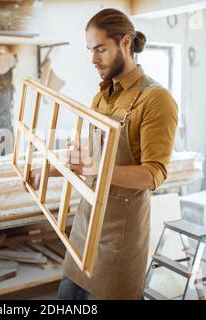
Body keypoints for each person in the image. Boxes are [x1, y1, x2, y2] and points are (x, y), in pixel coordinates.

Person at [27, 8, 178, 300]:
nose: (93, 59)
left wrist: (99, 170)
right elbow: (87, 161)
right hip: (84, 230)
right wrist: (45, 173)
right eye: (90, 50)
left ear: (125, 42)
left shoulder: (155, 99)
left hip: (119, 239)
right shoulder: (100, 97)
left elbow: (153, 174)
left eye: (100, 49)